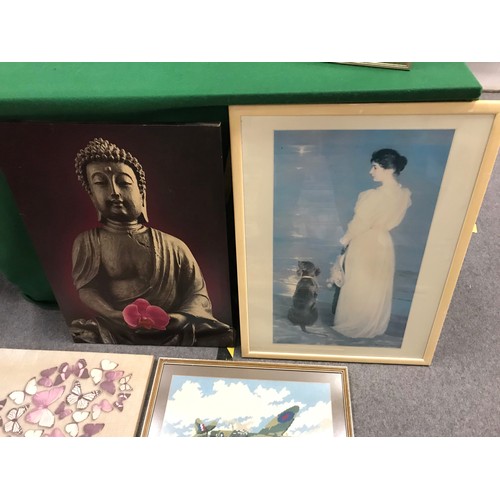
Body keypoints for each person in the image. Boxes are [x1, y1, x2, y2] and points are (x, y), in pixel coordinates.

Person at [69, 137, 234, 346]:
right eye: (101, 183)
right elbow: (87, 289)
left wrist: (181, 317)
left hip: (173, 327)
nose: (114, 192)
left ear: (141, 193)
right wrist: (112, 314)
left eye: (124, 183)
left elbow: (197, 294)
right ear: (92, 196)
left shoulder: (174, 246)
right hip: (116, 328)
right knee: (82, 333)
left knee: (222, 335)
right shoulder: (88, 242)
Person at [332, 148, 412, 338]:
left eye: (375, 167)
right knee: (375, 284)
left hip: (365, 240)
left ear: (389, 169)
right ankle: (369, 325)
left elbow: (359, 224)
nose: (371, 172)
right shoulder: (403, 195)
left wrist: (345, 240)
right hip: (384, 243)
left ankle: (354, 324)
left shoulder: (373, 196)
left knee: (359, 282)